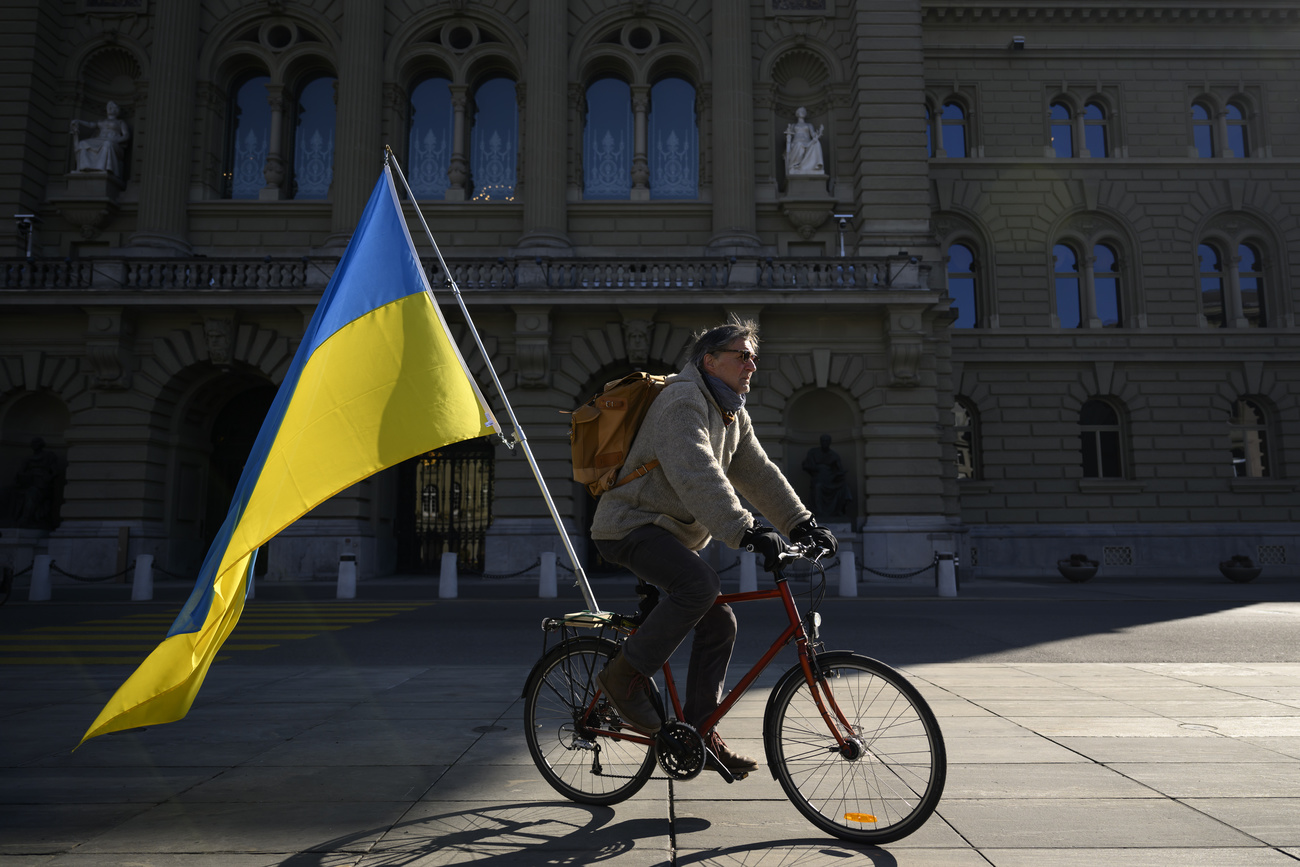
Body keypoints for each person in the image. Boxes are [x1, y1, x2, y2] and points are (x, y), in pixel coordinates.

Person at [590, 317, 838, 775]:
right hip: (629, 526)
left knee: (719, 621)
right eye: (743, 355)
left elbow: (757, 472)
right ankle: (623, 678)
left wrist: (801, 523)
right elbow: (696, 473)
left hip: (666, 531)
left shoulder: (729, 410)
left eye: (754, 356)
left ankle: (699, 734)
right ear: (710, 360)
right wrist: (746, 529)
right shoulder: (682, 401)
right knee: (699, 584)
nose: (752, 364)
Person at [70, 101, 131, 177]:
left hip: (113, 141)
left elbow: (126, 135)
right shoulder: (101, 121)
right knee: (83, 143)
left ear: (117, 110)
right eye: (109, 107)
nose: (110, 108)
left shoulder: (120, 122)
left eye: (112, 107)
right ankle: (84, 167)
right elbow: (90, 125)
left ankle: (101, 168)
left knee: (107, 144)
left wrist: (116, 140)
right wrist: (78, 121)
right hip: (99, 139)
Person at [784, 106, 825, 176]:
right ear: (797, 113)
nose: (802, 112)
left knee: (817, 143)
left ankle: (816, 166)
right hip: (796, 142)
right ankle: (796, 164)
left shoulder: (809, 125)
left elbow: (813, 134)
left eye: (804, 111)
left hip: (808, 142)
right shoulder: (794, 125)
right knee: (799, 145)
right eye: (800, 111)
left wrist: (819, 133)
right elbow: (789, 135)